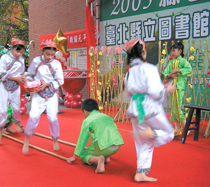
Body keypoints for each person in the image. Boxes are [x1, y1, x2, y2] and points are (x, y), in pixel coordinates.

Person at [124, 39, 175, 182]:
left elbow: (129, 93)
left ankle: (140, 173)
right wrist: (168, 89)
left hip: (135, 108)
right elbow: (156, 93)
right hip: (149, 107)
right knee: (169, 133)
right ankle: (152, 133)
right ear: (143, 52)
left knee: (142, 142)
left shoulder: (129, 73)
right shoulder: (149, 69)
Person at [22, 40, 64, 154]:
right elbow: (30, 74)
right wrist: (30, 82)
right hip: (38, 94)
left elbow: (60, 80)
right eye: (47, 54)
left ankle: (55, 139)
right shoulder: (36, 61)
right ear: (42, 51)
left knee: (53, 118)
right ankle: (27, 140)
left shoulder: (57, 64)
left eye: (52, 55)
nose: (49, 57)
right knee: (33, 116)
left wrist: (48, 83)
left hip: (51, 94)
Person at [67, 99, 124, 174]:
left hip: (105, 147)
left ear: (85, 111)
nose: (83, 115)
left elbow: (82, 139)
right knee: (101, 143)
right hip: (117, 145)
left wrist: (75, 156)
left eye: (83, 113)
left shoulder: (87, 120)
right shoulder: (107, 116)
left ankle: (98, 159)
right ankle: (106, 157)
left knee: (83, 156)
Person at [0, 38, 26, 146]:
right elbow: (1, 74)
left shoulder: (21, 60)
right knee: (3, 110)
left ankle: (17, 123)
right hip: (5, 86)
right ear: (12, 48)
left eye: (21, 52)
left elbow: (21, 73)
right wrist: (15, 78)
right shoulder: (4, 58)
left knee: (16, 108)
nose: (19, 54)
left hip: (16, 87)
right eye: (17, 51)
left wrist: (24, 77)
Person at [163, 42, 192, 136]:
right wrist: (169, 75)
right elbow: (165, 73)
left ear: (180, 51)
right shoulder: (171, 62)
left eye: (174, 50)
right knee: (173, 108)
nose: (172, 52)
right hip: (172, 87)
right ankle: (176, 128)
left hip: (179, 87)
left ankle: (186, 127)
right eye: (171, 50)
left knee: (177, 108)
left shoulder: (183, 61)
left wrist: (178, 70)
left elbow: (189, 69)